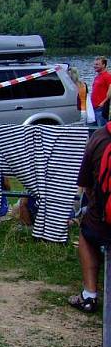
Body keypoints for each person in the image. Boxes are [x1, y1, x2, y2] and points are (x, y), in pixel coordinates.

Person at [69, 123, 111, 312]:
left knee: (86, 236)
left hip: (102, 220)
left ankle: (89, 295)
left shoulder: (99, 137)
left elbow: (85, 184)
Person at [90, 56, 111, 128]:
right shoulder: (97, 76)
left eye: (97, 64)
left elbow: (110, 92)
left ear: (104, 65)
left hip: (101, 109)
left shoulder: (108, 76)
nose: (95, 66)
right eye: (94, 64)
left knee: (102, 130)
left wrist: (103, 103)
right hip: (93, 108)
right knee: (92, 130)